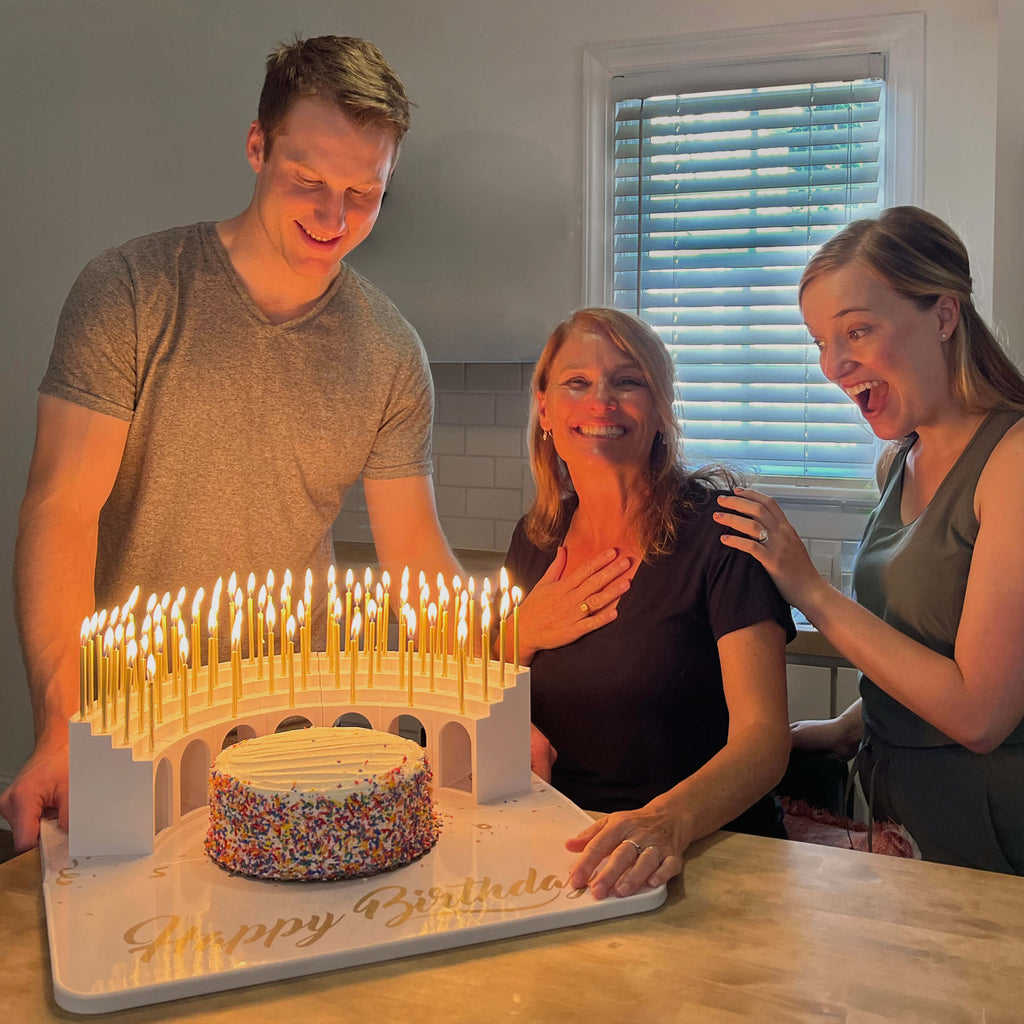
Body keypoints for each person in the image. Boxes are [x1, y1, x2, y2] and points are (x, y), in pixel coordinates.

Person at [1, 35, 467, 853]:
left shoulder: (391, 352)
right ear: (257, 146)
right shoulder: (133, 293)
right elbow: (61, 508)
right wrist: (61, 721)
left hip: (291, 736)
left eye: (364, 192)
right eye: (308, 180)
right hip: (123, 725)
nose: (333, 217)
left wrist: (487, 702)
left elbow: (418, 554)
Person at [715, 206, 1024, 875]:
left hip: (990, 831)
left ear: (944, 315)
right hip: (902, 815)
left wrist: (810, 590)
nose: (834, 365)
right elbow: (923, 645)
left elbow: (979, 712)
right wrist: (845, 728)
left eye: (857, 331)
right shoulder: (899, 462)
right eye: (820, 342)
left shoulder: (1014, 462)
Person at [502, 307, 794, 900]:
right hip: (563, 860)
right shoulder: (535, 539)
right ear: (545, 409)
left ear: (660, 409)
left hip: (708, 859)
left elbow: (764, 743)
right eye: (577, 383)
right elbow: (488, 688)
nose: (601, 402)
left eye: (628, 382)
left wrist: (667, 822)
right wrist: (520, 634)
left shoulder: (722, 534)